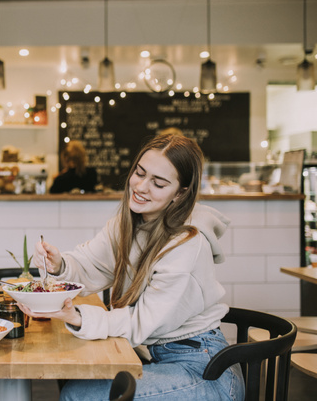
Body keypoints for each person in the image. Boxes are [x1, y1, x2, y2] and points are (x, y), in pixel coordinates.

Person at [23, 134, 245, 400]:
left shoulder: (187, 245)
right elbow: (91, 264)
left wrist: (79, 317)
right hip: (151, 357)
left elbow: (142, 323)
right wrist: (59, 263)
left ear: (181, 193)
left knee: (80, 395)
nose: (140, 187)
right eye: (139, 173)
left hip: (204, 370)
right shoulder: (128, 224)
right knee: (77, 381)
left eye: (158, 183)